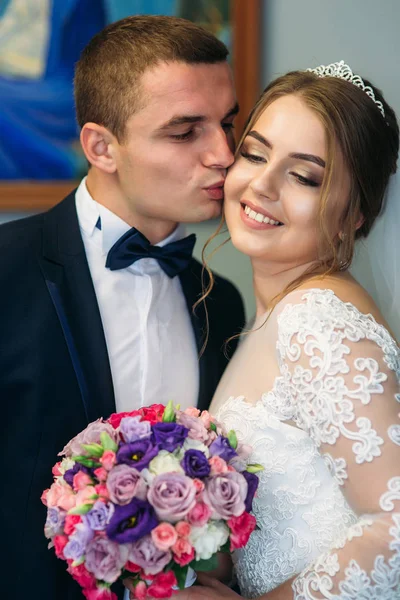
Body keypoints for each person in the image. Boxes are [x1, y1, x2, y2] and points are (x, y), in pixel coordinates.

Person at [1, 15, 245, 600]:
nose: (224, 155)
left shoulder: (224, 304)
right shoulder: (5, 271)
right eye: (186, 132)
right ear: (101, 146)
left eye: (227, 124)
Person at [174, 61, 400, 600]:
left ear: (354, 216)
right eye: (254, 154)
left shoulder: (318, 322)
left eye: (304, 176)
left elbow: (395, 527)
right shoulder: (273, 314)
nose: (262, 184)